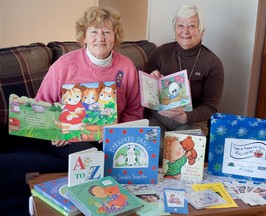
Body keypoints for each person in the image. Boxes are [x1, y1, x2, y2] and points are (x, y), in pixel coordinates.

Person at [35, 6, 143, 158]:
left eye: (106, 32)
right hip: (69, 138)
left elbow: (134, 110)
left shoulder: (126, 67)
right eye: (94, 32)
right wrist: (55, 131)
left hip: (110, 137)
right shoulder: (64, 65)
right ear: (84, 37)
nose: (100, 38)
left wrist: (116, 132)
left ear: (115, 37)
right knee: (91, 158)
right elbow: (41, 104)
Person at [144, 3, 224, 163]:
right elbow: (144, 96)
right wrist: (151, 81)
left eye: (192, 26)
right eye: (180, 25)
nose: (185, 31)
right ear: (174, 30)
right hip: (157, 119)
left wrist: (186, 117)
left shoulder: (212, 63)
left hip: (192, 120)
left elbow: (210, 106)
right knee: (152, 151)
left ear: (202, 30)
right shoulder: (160, 54)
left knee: (181, 156)